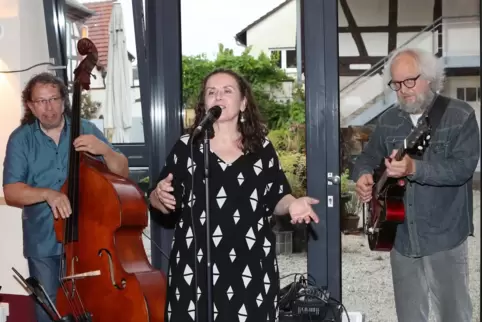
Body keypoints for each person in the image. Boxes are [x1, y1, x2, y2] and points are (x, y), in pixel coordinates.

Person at [149, 68, 319, 322]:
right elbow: (159, 199)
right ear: (204, 104)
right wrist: (158, 196)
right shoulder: (188, 146)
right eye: (211, 92)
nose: (218, 96)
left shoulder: (261, 147)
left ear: (243, 102)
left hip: (251, 265)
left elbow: (277, 196)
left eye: (227, 91)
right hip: (194, 268)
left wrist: (293, 204)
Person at [352, 47, 479, 322]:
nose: (403, 90)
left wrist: (415, 168)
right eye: (396, 84)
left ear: (429, 77)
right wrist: (363, 176)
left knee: (454, 315)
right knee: (409, 316)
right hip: (400, 236)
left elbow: (462, 169)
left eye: (410, 80)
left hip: (444, 235)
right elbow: (368, 157)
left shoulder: (460, 115)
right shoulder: (387, 121)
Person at [2, 72, 129, 322]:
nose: (48, 108)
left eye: (53, 99)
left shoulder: (87, 129)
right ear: (30, 106)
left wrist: (103, 149)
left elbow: (123, 170)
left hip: (89, 240)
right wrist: (47, 194)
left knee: (94, 305)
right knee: (50, 311)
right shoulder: (21, 139)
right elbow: (11, 191)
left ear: (63, 101)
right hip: (43, 241)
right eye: (40, 101)